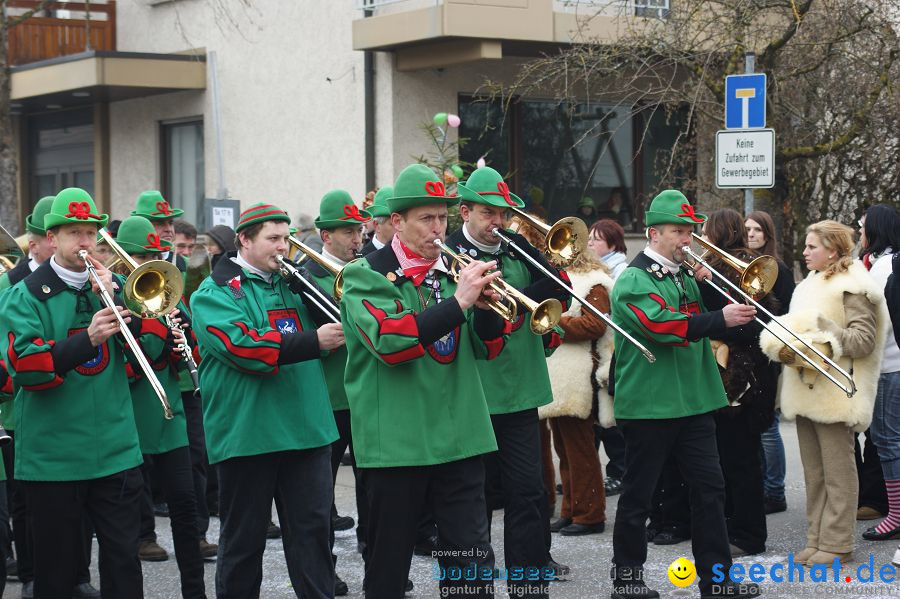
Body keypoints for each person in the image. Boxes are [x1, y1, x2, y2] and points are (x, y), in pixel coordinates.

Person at [340, 163, 506, 598]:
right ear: (397, 222)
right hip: (398, 443)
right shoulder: (365, 275)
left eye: (443, 217)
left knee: (470, 562)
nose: (438, 228)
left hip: (460, 435)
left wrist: (486, 309)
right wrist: (460, 302)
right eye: (426, 218)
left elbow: (487, 349)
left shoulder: (455, 272)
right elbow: (390, 342)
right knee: (390, 567)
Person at [608, 189, 759, 599]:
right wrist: (717, 316)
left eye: (689, 231)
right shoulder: (634, 279)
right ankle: (627, 580)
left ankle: (717, 580)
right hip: (650, 404)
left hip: (694, 400)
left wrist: (712, 290)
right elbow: (662, 326)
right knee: (639, 496)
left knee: (710, 491)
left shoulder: (683, 274)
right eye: (678, 232)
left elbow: (723, 319)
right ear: (653, 234)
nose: (687, 239)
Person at [191, 202, 343, 598]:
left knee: (313, 540)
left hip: (307, 432)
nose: (283, 248)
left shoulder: (294, 282)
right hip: (249, 434)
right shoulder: (215, 291)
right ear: (244, 240)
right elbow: (242, 346)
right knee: (243, 543)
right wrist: (313, 341)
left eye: (286, 239)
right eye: (273, 239)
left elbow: (340, 323)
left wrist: (313, 296)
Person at [0, 187, 145, 598]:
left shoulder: (115, 286)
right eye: (73, 233)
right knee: (57, 573)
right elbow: (26, 368)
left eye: (90, 232)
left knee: (123, 563)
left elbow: (145, 358)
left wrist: (119, 304)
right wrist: (87, 339)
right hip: (54, 457)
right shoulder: (22, 296)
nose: (85, 242)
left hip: (115, 449)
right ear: (51, 239)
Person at [447, 166, 571, 597]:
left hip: (519, 388)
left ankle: (527, 582)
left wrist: (550, 272)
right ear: (465, 211)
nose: (497, 221)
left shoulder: (517, 245)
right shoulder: (446, 253)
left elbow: (559, 295)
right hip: (473, 391)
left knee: (529, 493)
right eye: (487, 213)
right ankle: (474, 585)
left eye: (502, 213)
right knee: (471, 500)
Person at [760, 220, 887, 567]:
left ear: (832, 249)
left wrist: (825, 338)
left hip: (835, 393)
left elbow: (863, 340)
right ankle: (817, 537)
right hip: (805, 392)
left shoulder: (853, 285)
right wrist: (785, 347)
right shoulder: (810, 284)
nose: (804, 251)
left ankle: (838, 543)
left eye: (812, 246)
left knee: (838, 473)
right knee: (815, 474)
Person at [115, 216, 206, 597]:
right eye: (140, 255)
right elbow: (139, 357)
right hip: (128, 420)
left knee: (185, 509)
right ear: (122, 260)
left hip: (169, 420)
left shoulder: (169, 293)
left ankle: (195, 591)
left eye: (154, 254)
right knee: (121, 524)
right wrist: (152, 322)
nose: (148, 261)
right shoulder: (113, 296)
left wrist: (180, 332)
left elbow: (187, 350)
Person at [306, 189, 373, 597]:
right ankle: (323, 571)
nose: (356, 239)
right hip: (326, 399)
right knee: (318, 497)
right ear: (325, 235)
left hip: (365, 398)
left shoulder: (368, 270)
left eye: (359, 230)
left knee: (374, 492)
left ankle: (382, 566)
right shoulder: (305, 275)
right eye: (347, 231)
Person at [700, 209, 778, 557]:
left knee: (741, 459)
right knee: (727, 458)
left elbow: (752, 324)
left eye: (705, 229)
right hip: (725, 377)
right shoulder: (709, 267)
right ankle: (734, 527)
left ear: (716, 232)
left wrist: (708, 319)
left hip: (743, 379)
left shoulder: (743, 269)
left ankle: (748, 535)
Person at [540, 248, 613, 537]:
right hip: (560, 374)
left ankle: (590, 513)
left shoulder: (594, 281)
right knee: (564, 448)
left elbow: (595, 324)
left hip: (580, 373)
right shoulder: (561, 278)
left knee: (580, 448)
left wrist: (553, 323)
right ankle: (571, 509)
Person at [744, 210, 795, 515]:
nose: (751, 234)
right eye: (747, 229)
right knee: (756, 426)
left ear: (767, 234)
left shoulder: (779, 268)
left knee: (768, 425)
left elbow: (788, 309)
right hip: (749, 351)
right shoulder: (742, 264)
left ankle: (775, 491)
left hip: (769, 351)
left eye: (757, 230)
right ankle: (764, 485)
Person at [856, 205, 900, 541]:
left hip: (887, 365)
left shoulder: (881, 269)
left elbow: (876, 327)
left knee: (888, 441)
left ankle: (896, 516)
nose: (859, 232)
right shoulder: (884, 263)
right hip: (890, 363)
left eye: (863, 226)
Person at [586, 218, 628, 496]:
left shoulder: (619, 271)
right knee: (595, 418)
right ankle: (588, 474)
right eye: (589, 238)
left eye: (596, 240)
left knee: (609, 420)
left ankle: (619, 473)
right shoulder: (598, 269)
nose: (589, 243)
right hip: (597, 351)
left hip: (611, 351)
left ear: (611, 244)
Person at [131, 190, 187, 275]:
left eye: (171, 223)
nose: (168, 229)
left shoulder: (186, 264)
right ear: (143, 225)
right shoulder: (127, 261)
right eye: (160, 223)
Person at [361, 187, 395, 255]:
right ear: (377, 225)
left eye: (401, 222)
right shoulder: (362, 260)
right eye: (393, 224)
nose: (400, 228)